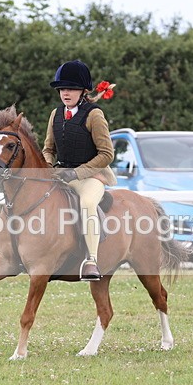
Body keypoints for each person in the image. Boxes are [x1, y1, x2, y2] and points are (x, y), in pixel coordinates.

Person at [42, 60, 117, 281]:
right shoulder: (55, 114)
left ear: (83, 91)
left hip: (90, 177)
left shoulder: (94, 115)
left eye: (71, 89)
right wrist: (47, 166)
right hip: (61, 174)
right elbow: (48, 149)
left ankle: (91, 260)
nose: (65, 93)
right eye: (62, 89)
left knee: (87, 204)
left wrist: (77, 173)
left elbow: (106, 154)